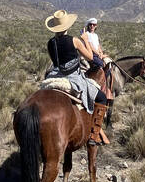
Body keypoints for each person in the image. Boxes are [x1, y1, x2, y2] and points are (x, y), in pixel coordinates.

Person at [45, 10, 110, 145]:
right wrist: (85, 40)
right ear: (67, 26)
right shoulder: (74, 41)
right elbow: (90, 57)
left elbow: (56, 62)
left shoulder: (50, 43)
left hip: (55, 75)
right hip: (73, 77)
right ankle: (94, 135)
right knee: (102, 97)